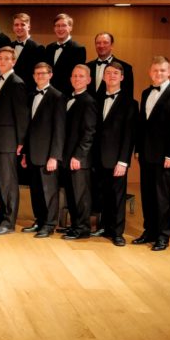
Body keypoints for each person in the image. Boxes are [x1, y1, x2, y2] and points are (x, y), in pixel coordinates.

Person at [135, 56, 170, 251]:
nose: (159, 73)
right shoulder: (146, 93)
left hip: (164, 155)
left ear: (169, 72)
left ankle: (163, 236)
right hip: (146, 153)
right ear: (150, 72)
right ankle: (149, 231)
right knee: (147, 194)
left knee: (162, 196)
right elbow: (142, 125)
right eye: (155, 70)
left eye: (162, 70)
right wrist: (138, 149)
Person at [21, 63, 65, 238]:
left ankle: (49, 224)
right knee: (36, 191)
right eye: (37, 73)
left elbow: (59, 130)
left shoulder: (57, 96)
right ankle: (39, 220)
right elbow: (29, 127)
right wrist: (25, 153)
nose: (39, 76)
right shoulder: (31, 96)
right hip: (33, 153)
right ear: (33, 76)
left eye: (43, 73)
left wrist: (54, 156)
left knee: (49, 192)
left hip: (48, 155)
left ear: (50, 75)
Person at [0, 47, 29, 235]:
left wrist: (21, 141)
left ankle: (9, 222)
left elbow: (22, 115)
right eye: (0, 58)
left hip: (8, 141)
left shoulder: (16, 83)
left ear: (14, 61)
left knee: (8, 182)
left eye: (7, 58)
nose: (2, 61)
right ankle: (2, 215)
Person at [95, 62, 137, 246]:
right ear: (104, 77)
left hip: (116, 159)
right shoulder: (96, 99)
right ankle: (104, 226)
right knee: (102, 194)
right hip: (98, 157)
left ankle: (117, 232)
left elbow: (129, 135)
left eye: (115, 73)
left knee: (117, 196)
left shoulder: (130, 103)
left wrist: (123, 161)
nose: (111, 76)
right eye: (108, 73)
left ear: (122, 77)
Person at [60, 64, 98, 241]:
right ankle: (75, 225)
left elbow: (89, 133)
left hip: (79, 158)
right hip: (68, 157)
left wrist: (78, 156)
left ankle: (83, 229)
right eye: (74, 76)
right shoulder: (69, 98)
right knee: (71, 194)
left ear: (88, 80)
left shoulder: (88, 102)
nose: (77, 79)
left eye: (81, 76)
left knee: (80, 195)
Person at [45, 13, 87, 97]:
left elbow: (76, 77)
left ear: (70, 28)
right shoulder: (49, 48)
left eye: (64, 25)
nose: (60, 29)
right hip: (48, 94)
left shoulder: (78, 49)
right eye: (57, 26)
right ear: (54, 28)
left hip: (66, 95)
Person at [87, 31, 135, 98]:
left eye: (105, 42)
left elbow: (128, 96)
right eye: (98, 43)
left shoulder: (126, 68)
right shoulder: (87, 67)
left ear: (112, 45)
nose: (101, 46)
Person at [10, 13, 45, 88]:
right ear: (13, 27)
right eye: (16, 25)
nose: (19, 27)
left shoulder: (38, 48)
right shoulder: (9, 46)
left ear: (28, 27)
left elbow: (39, 75)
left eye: (22, 25)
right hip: (9, 89)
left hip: (27, 90)